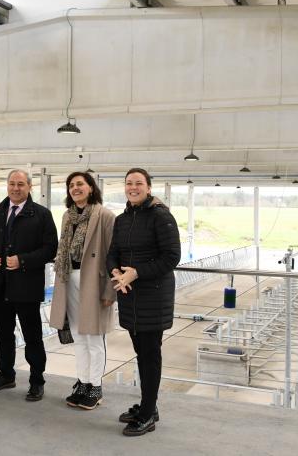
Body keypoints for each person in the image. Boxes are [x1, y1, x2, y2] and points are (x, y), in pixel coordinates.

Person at [107, 168, 181, 436]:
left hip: (153, 295)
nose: (133, 187)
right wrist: (115, 271)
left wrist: (136, 272)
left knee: (150, 355)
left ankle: (148, 414)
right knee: (141, 353)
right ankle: (149, 405)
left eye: (139, 183)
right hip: (129, 294)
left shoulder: (161, 217)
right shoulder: (122, 219)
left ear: (149, 188)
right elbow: (112, 252)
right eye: (129, 183)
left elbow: (172, 256)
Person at [0, 169, 57, 401]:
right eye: (12, 183)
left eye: (21, 184)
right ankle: (6, 375)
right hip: (0, 285)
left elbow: (50, 249)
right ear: (7, 185)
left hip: (27, 287)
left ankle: (37, 381)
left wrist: (23, 260)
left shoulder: (42, 215)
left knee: (32, 336)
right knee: (3, 335)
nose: (16, 188)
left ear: (30, 187)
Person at [49, 172, 116, 410]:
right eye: (71, 185)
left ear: (90, 188)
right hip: (69, 278)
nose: (75, 188)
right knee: (78, 335)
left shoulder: (105, 216)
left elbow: (112, 255)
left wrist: (110, 290)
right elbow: (62, 249)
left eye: (80, 184)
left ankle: (96, 386)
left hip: (93, 282)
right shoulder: (67, 216)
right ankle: (83, 381)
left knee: (94, 337)